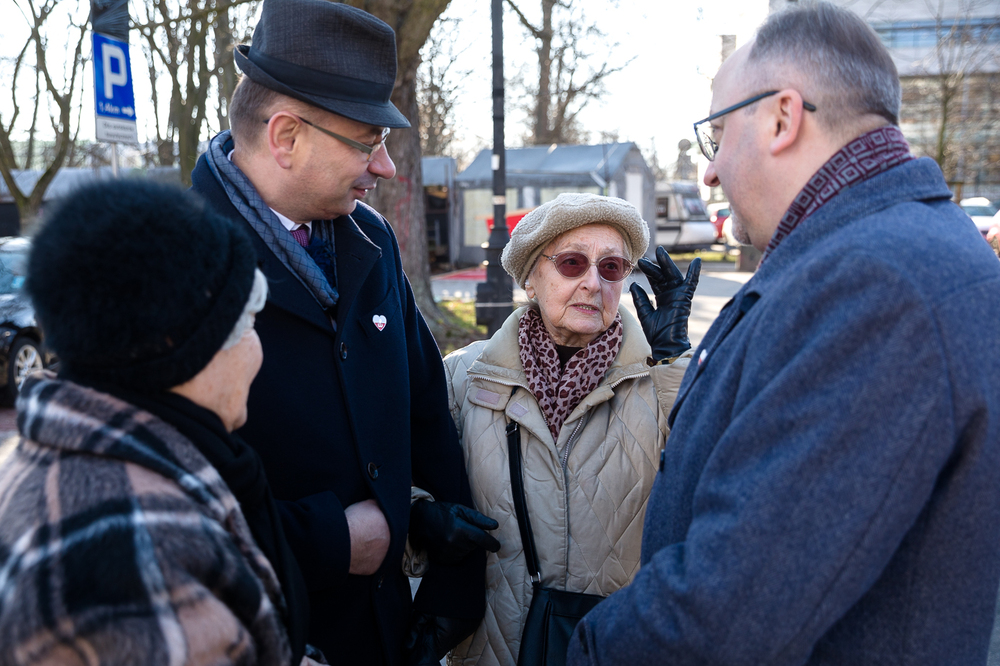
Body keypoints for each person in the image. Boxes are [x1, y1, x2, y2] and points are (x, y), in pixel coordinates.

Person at [567, 3, 1000, 665]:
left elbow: (727, 615)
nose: (709, 172)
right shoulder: (885, 251)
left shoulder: (877, 283)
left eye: (717, 135)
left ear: (781, 116)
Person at [189, 0, 497, 663]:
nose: (384, 166)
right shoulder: (174, 266)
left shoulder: (371, 239)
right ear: (286, 137)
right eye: (368, 141)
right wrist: (328, 538)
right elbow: (164, 508)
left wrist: (450, 576)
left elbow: (422, 412)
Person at [0, 180, 314, 665]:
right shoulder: (134, 547)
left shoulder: (69, 456)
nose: (259, 351)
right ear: (186, 348)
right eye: (250, 323)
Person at [442, 193, 701, 666]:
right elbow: (408, 485)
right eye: (572, 263)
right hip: (491, 648)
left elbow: (709, 477)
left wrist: (673, 359)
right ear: (530, 278)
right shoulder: (463, 376)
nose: (591, 283)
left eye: (611, 268)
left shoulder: (660, 376)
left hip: (617, 647)